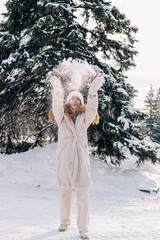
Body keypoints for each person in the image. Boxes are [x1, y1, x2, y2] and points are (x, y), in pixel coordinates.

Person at [49, 74, 103, 239]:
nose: (75, 101)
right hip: (65, 157)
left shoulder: (84, 118)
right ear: (68, 101)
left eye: (78, 99)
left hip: (80, 157)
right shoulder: (62, 117)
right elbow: (56, 106)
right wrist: (58, 90)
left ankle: (83, 228)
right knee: (64, 190)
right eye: (72, 99)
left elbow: (93, 109)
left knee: (83, 192)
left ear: (80, 102)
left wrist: (92, 92)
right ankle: (64, 222)